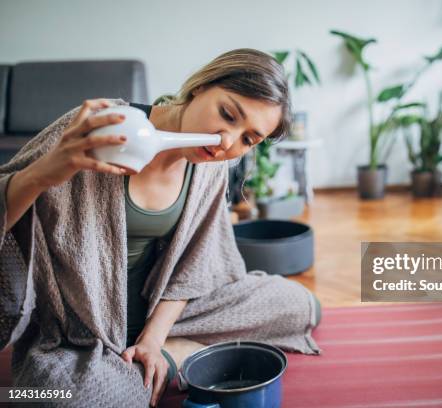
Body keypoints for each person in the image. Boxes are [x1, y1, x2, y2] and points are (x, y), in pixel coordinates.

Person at [0, 48, 321, 407]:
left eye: (248, 139)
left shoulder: (210, 165)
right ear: (200, 87)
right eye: (228, 114)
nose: (227, 142)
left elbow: (196, 263)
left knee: (298, 304)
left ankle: (165, 355)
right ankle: (163, 364)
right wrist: (45, 172)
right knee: (55, 399)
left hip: (160, 310)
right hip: (81, 327)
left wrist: (154, 339)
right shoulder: (105, 126)